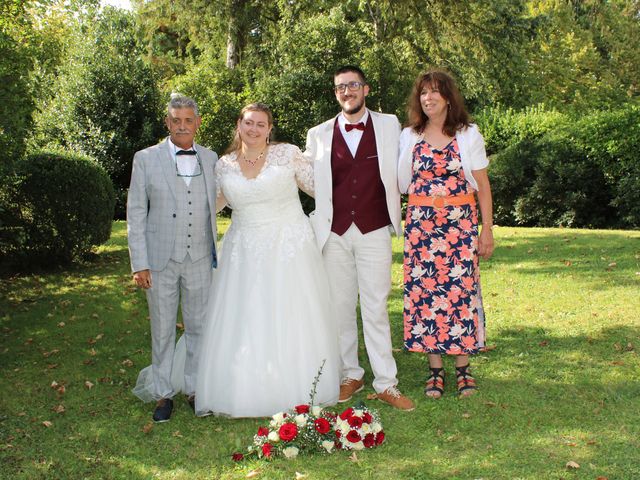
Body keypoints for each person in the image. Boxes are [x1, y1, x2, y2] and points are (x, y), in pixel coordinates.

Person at [193, 103, 340, 417]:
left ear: (270, 128)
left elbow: (319, 187)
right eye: (249, 123)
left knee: (289, 315)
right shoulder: (224, 165)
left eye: (261, 124)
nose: (254, 129)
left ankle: (294, 384)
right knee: (245, 315)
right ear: (239, 125)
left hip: (288, 247)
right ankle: (246, 384)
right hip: (242, 250)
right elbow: (212, 204)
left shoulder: (287, 154)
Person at [305, 66, 414, 411]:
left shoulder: (389, 124)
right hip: (334, 233)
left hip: (374, 229)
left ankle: (386, 382)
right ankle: (350, 373)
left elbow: (409, 158)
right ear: (335, 93)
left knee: (376, 306)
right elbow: (307, 178)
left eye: (353, 85)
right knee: (339, 308)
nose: (347, 91)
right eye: (340, 87)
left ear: (365, 89)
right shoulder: (318, 134)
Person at [398, 70, 494, 398]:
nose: (428, 98)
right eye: (423, 93)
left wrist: (487, 230)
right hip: (421, 229)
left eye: (435, 92)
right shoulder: (409, 135)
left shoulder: (468, 134)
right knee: (426, 296)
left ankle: (463, 369)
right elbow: (399, 182)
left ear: (449, 98)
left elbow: (482, 187)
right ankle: (435, 371)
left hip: (459, 227)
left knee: (460, 294)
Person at [128, 94, 218, 422]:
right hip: (160, 259)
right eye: (175, 120)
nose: (182, 126)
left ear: (197, 123)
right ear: (167, 123)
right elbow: (136, 213)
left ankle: (195, 388)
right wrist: (139, 263)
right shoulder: (145, 158)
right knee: (163, 328)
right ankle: (163, 393)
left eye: (188, 120)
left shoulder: (210, 158)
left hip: (198, 258)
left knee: (198, 326)